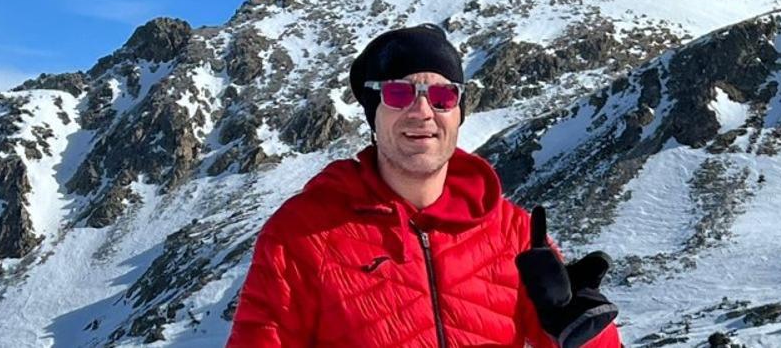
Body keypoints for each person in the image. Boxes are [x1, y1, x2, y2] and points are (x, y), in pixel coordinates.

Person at [227, 24, 621, 347]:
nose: (422, 111)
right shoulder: (301, 234)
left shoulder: (513, 234)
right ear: (373, 114)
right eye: (398, 94)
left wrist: (580, 329)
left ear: (459, 112)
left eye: (442, 96)